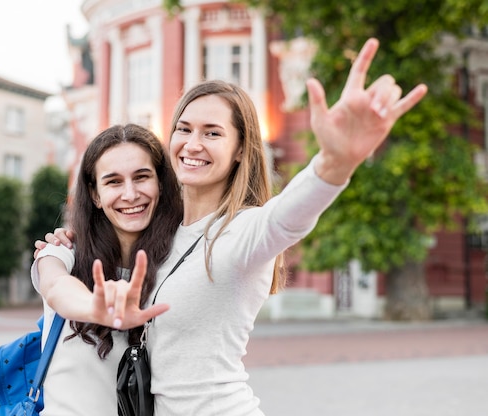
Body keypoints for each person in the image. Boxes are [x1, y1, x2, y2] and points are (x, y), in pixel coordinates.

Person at [36, 38, 428, 415]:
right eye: (184, 129)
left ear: (241, 149)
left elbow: (287, 218)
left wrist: (335, 162)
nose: (192, 144)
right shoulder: (164, 237)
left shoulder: (242, 232)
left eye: (212, 133)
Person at [31, 123, 183, 415]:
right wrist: (94, 307)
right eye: (113, 182)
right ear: (96, 194)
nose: (130, 194)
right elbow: (55, 286)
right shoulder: (63, 251)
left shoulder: (175, 267)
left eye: (142, 177)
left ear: (161, 185)